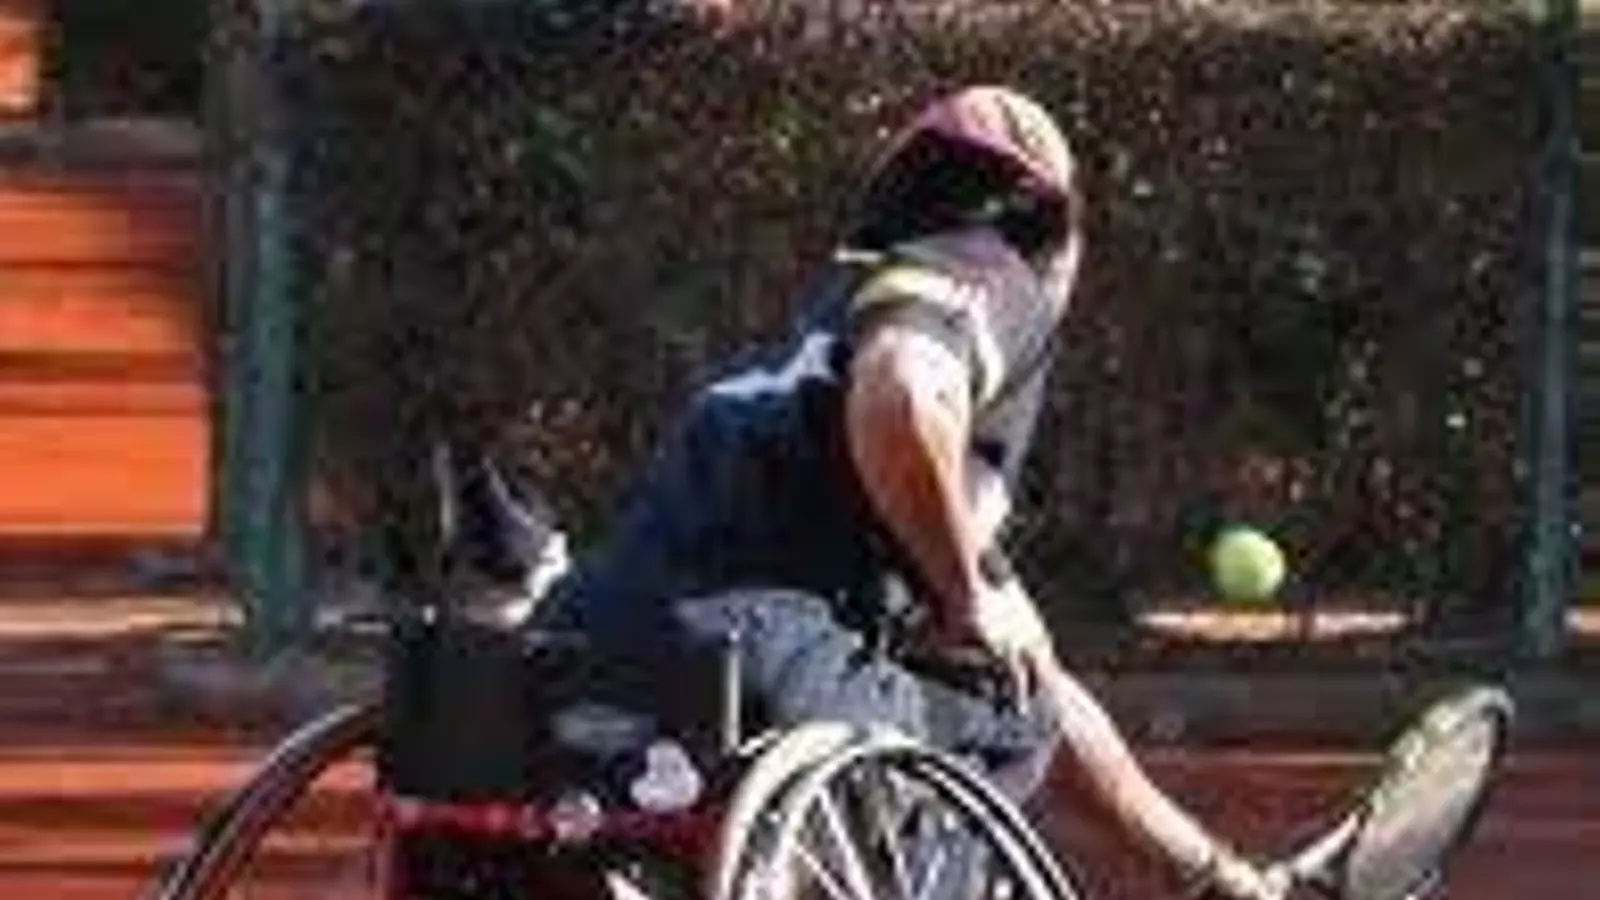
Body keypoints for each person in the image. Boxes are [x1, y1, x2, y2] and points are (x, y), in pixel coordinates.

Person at [461, 85, 1285, 900]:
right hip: (753, 659)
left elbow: (1037, 670)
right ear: (1059, 230)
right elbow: (901, 392)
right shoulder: (988, 268)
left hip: (573, 650)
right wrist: (965, 594)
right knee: (1009, 711)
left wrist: (1212, 873)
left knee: (1017, 688)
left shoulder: (814, 353)